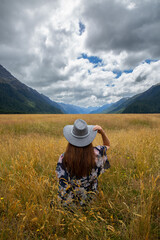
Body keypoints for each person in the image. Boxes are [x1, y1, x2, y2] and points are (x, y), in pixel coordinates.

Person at [54, 119, 110, 207]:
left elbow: (61, 180)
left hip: (71, 201)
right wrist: (102, 132)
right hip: (90, 198)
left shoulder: (63, 158)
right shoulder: (98, 152)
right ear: (88, 138)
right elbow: (107, 145)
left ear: (71, 139)